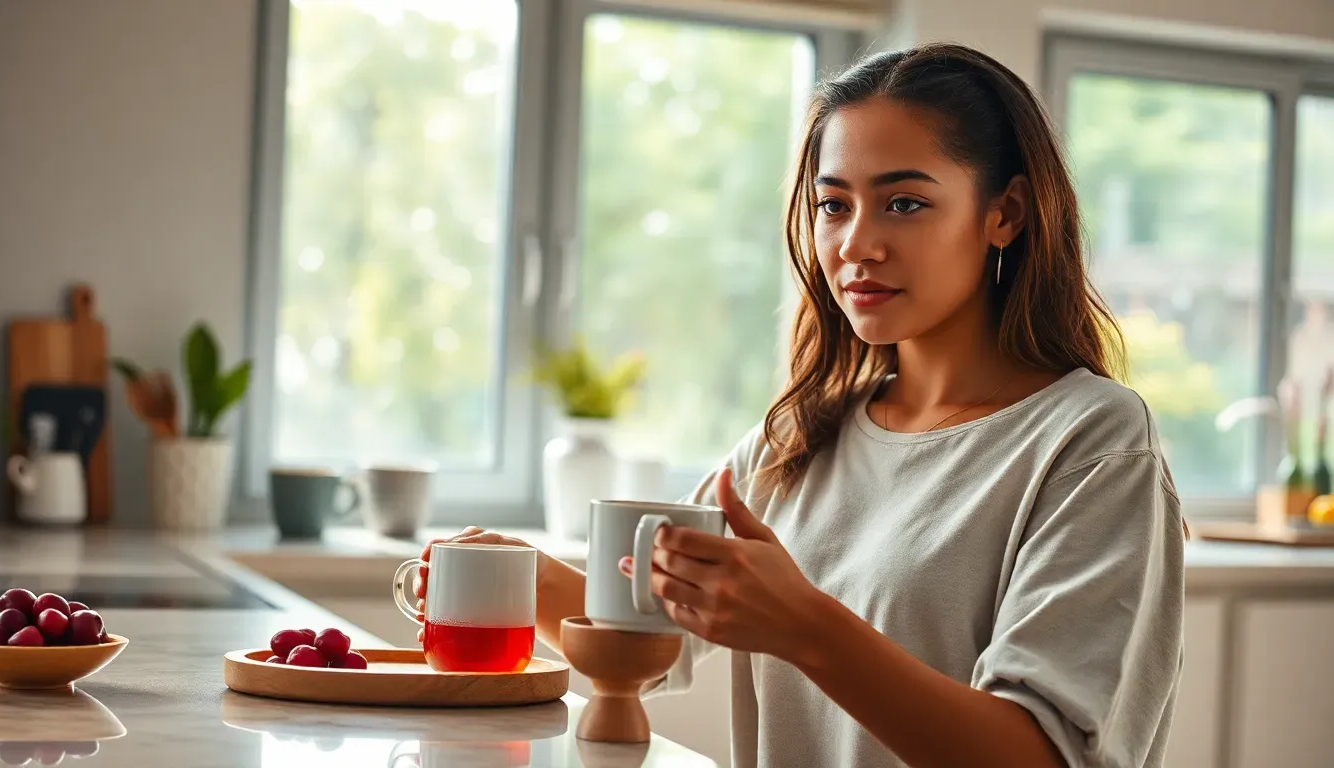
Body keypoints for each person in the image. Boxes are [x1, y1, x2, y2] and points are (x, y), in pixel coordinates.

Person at [414, 42, 1185, 768]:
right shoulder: (802, 434)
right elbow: (653, 631)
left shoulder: (1094, 442)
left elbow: (1040, 756)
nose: (856, 245)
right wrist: (521, 574)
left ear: (1005, 213)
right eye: (834, 205)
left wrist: (803, 627)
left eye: (905, 204)